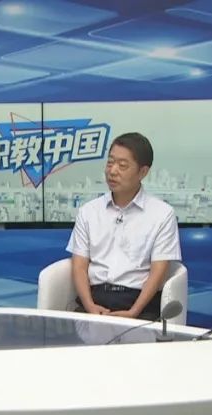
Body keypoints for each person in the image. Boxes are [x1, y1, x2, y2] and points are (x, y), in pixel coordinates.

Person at [66, 132, 181, 321]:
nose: (112, 171)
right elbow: (79, 266)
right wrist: (90, 306)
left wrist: (134, 312)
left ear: (143, 172)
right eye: (110, 162)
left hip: (139, 303)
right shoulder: (88, 211)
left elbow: (158, 272)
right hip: (94, 300)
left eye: (122, 165)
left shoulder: (162, 214)